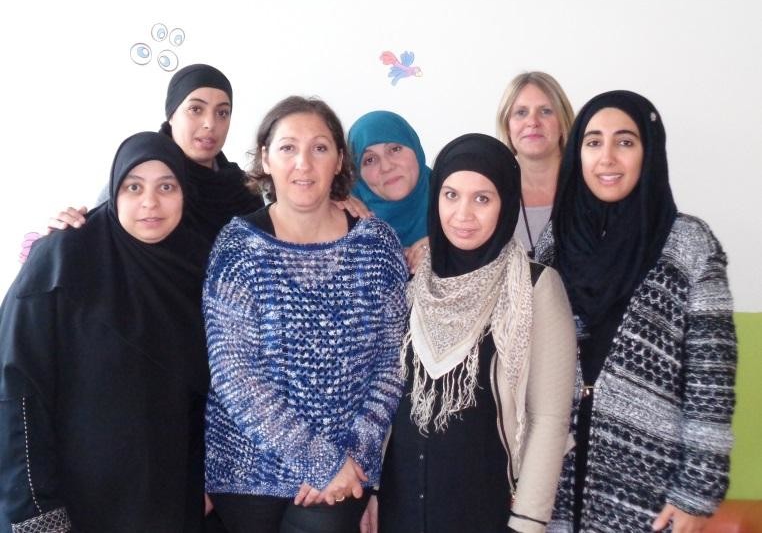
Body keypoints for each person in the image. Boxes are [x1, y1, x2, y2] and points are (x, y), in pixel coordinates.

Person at [202, 96, 409, 533]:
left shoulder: (376, 245)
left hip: (344, 472)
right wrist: (318, 461)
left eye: (319, 148)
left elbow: (392, 362)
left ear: (339, 160)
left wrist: (352, 458)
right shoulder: (237, 247)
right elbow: (233, 373)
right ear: (266, 159)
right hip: (247, 471)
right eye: (287, 148)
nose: (304, 163)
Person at [537, 91, 737, 532]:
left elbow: (711, 382)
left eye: (625, 142)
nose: (607, 157)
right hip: (554, 487)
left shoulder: (690, 245)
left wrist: (695, 493)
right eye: (593, 142)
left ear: (649, 152)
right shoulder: (555, 242)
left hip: (649, 493)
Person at [0, 132, 211, 532]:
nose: (150, 202)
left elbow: (208, 396)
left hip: (167, 500)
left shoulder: (198, 269)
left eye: (166, 186)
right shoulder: (60, 260)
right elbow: (17, 391)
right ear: (113, 191)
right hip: (75, 504)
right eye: (134, 187)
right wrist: (36, 512)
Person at [368, 134, 577, 533]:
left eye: (482, 198)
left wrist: (528, 522)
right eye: (451, 195)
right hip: (401, 506)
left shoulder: (535, 288)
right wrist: (375, 490)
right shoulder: (414, 284)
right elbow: (389, 399)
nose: (462, 214)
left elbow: (549, 418)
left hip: (486, 509)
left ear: (506, 204)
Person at [47, 63, 264, 242]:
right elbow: (102, 245)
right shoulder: (136, 177)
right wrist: (63, 236)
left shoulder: (244, 190)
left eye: (222, 113)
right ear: (171, 115)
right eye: (196, 109)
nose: (210, 123)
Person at [496, 71, 574, 258]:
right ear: (507, 126)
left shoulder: (592, 188)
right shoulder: (491, 193)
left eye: (545, 111)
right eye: (521, 113)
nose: (532, 122)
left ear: (563, 122)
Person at [347, 110, 431, 271]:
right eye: (369, 160)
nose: (386, 167)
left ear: (415, 148)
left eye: (395, 149)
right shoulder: (346, 224)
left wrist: (447, 247)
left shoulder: (455, 202)